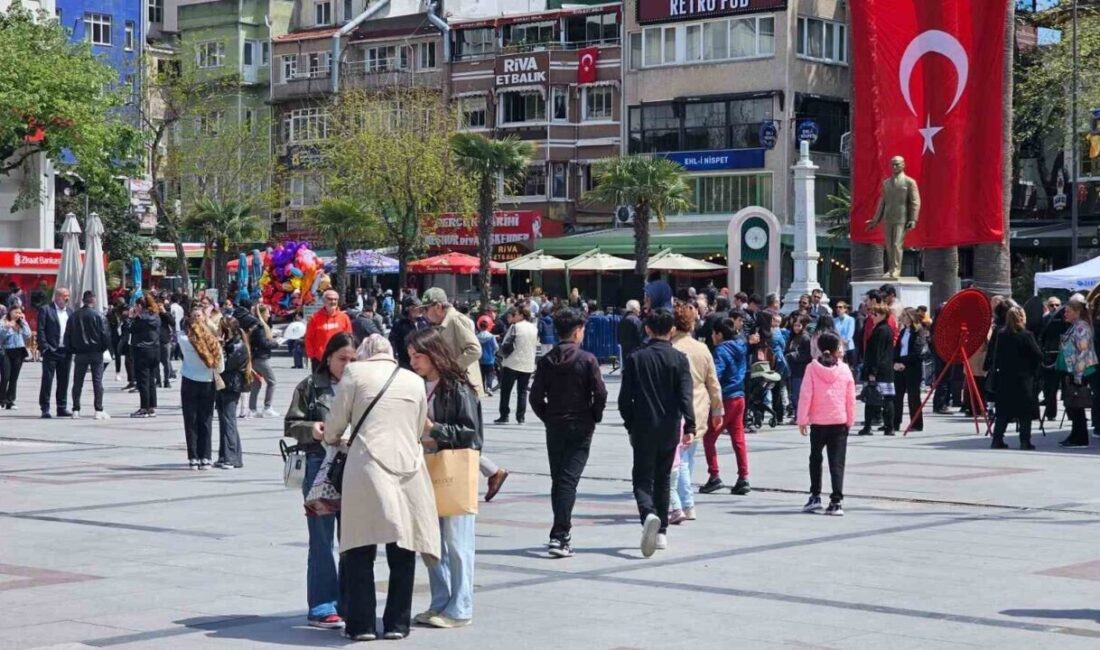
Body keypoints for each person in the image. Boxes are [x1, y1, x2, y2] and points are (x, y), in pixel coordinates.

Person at [319, 334, 440, 641]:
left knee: (360, 545)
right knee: (404, 545)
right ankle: (398, 623)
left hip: (367, 466)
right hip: (408, 467)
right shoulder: (413, 379)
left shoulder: (355, 374)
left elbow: (335, 424)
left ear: (363, 354)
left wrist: (330, 437)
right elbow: (418, 425)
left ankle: (361, 625)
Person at [406, 328, 482, 629]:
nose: (414, 362)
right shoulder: (418, 386)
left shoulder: (458, 388)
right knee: (430, 541)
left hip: (452, 470)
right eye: (411, 356)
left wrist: (433, 428)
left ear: (434, 353)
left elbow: (470, 434)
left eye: (418, 356)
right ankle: (441, 601)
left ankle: (460, 606)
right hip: (423, 469)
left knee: (458, 542)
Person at [284, 332, 357, 630]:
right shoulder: (312, 386)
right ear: (328, 358)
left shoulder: (362, 385)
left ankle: (351, 601)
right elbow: (291, 423)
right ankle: (322, 604)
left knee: (353, 538)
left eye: (354, 359)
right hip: (320, 466)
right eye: (343, 359)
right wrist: (311, 428)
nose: (348, 365)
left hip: (354, 465)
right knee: (322, 537)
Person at [528, 308, 607, 558]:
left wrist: (547, 416)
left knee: (560, 478)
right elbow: (601, 393)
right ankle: (560, 535)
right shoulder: (587, 359)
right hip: (580, 425)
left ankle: (560, 532)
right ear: (576, 332)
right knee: (568, 480)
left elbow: (535, 396)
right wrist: (595, 414)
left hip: (556, 425)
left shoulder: (547, 360)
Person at [618, 309, 695, 558]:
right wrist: (690, 426)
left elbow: (623, 399)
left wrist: (630, 423)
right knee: (663, 479)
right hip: (670, 427)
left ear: (648, 329)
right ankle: (661, 530)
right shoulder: (679, 359)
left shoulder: (635, 358)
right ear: (672, 330)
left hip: (642, 426)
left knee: (642, 477)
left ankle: (647, 513)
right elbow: (685, 396)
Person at [422, 288, 509, 501]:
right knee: (451, 435)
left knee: (459, 435)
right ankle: (492, 471)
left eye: (427, 309)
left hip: (460, 388)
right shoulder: (442, 323)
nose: (425, 314)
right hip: (449, 385)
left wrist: (451, 369)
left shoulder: (456, 320)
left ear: (438, 307)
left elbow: (474, 349)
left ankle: (491, 471)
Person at [669, 302, 723, 522]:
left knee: (678, 459)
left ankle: (685, 503)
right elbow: (713, 382)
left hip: (676, 408)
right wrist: (718, 409)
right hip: (699, 406)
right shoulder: (702, 349)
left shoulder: (670, 348)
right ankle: (684, 500)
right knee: (688, 458)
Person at [797, 332, 856, 516]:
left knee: (815, 458)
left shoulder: (812, 368)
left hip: (819, 421)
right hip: (839, 420)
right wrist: (850, 419)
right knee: (837, 462)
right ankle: (836, 501)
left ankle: (815, 496)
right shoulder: (845, 369)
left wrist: (802, 418)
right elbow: (851, 398)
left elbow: (806, 394)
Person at [702, 315, 749, 495]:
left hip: (726, 397)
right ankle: (743, 477)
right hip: (739, 396)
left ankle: (714, 475)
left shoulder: (721, 350)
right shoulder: (740, 347)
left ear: (719, 334)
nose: (712, 337)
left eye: (713, 333)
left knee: (709, 437)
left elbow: (717, 375)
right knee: (738, 439)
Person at [989, 307, 1042, 450]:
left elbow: (997, 356)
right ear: (1022, 318)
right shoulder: (1026, 335)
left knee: (1003, 413)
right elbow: (1037, 355)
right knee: (1025, 412)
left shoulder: (1001, 335)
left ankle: (997, 440)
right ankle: (1025, 441)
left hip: (1005, 378)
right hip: (1023, 379)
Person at [178, 310, 223, 469]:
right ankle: (206, 457)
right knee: (206, 419)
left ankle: (193, 458)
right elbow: (221, 366)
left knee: (190, 420)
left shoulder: (183, 339)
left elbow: (180, 330)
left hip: (189, 380)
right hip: (208, 381)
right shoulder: (213, 341)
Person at [66, 291, 112, 420]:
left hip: (80, 352)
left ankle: (76, 409)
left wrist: (72, 349)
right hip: (96, 352)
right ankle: (98, 409)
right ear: (93, 300)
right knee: (97, 381)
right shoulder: (99, 316)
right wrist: (102, 349)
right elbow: (106, 335)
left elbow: (68, 335)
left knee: (77, 382)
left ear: (83, 300)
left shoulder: (74, 316)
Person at [1057, 299, 1097, 447]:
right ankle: (1075, 434)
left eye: (1068, 311)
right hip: (1072, 369)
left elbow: (1083, 352)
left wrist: (1078, 376)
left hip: (1080, 371)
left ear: (1077, 311)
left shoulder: (1082, 327)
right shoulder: (1074, 326)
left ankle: (1080, 437)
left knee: (1077, 404)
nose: (1065, 314)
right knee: (1072, 404)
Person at [214, 318, 248, 469]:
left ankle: (231, 457)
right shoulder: (230, 345)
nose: (219, 332)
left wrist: (219, 348)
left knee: (229, 421)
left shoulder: (238, 346)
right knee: (224, 420)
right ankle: (226, 455)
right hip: (223, 385)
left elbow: (225, 365)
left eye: (221, 329)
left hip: (231, 385)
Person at [495, 305, 537, 425]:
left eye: (516, 314)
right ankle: (521, 417)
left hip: (512, 363)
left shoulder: (515, 327)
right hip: (528, 363)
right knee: (522, 391)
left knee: (506, 390)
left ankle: (504, 415)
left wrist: (501, 354)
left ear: (521, 315)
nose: (514, 316)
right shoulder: (533, 328)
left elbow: (506, 342)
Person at [858, 305, 897, 436]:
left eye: (875, 314)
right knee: (887, 397)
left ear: (882, 315)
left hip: (878, 369)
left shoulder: (881, 330)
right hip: (886, 369)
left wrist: (872, 372)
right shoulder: (887, 329)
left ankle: (868, 427)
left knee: (872, 398)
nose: (872, 316)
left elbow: (877, 353)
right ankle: (889, 427)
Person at [37, 286, 74, 419]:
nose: (67, 298)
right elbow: (40, 330)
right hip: (51, 351)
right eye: (65, 295)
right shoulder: (46, 310)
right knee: (47, 380)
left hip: (65, 351)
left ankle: (61, 407)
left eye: (68, 295)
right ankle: (45, 408)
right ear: (58, 296)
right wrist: (45, 347)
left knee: (64, 380)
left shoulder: (70, 311)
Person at [893, 308, 927, 433]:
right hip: (900, 365)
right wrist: (896, 361)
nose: (903, 318)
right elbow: (897, 348)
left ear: (912, 317)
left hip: (912, 367)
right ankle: (895, 422)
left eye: (905, 316)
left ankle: (916, 423)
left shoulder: (918, 331)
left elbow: (917, 351)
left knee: (913, 396)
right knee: (897, 395)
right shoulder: (903, 331)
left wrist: (904, 362)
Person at [129, 294, 163, 418]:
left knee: (143, 380)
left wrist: (131, 317)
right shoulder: (156, 316)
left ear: (140, 306)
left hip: (142, 350)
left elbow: (130, 329)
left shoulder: (140, 318)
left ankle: (144, 407)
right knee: (151, 380)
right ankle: (152, 407)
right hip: (155, 350)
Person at [305, 289, 352, 373]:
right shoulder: (314, 318)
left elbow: (349, 339)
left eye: (335, 299)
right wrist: (312, 356)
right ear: (324, 301)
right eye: (330, 299)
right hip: (319, 360)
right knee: (320, 385)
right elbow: (309, 338)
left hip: (339, 360)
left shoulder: (344, 318)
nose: (333, 301)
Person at [248, 304, 280, 418]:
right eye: (267, 313)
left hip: (256, 357)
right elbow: (263, 343)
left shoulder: (257, 326)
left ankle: (252, 409)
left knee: (256, 383)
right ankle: (267, 407)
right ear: (261, 314)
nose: (269, 315)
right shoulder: (260, 327)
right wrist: (276, 343)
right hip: (261, 358)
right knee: (272, 381)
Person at [0, 306, 31, 409]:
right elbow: (1, 337)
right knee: (5, 377)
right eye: (16, 312)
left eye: (19, 313)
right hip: (6, 351)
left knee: (14, 378)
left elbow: (28, 335)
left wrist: (25, 322)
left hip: (19, 351)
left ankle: (10, 400)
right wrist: (7, 327)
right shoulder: (3, 322)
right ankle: (1, 400)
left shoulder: (21, 323)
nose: (18, 315)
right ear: (10, 312)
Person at [785, 315, 812, 423]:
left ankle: (802, 416)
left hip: (800, 370)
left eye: (798, 325)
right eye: (794, 325)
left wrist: (793, 355)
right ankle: (797, 415)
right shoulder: (793, 336)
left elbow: (806, 354)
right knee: (794, 394)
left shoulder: (805, 337)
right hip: (793, 368)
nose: (796, 328)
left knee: (799, 394)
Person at [390, 296, 423, 369]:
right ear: (408, 309)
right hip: (405, 361)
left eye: (419, 307)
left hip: (421, 359)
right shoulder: (400, 323)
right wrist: (394, 357)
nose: (419, 310)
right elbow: (393, 340)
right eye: (415, 307)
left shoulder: (423, 321)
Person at [476, 318, 498, 396]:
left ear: (480, 327)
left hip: (480, 359)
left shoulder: (477, 337)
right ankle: (489, 388)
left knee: (482, 374)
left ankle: (481, 388)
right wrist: (493, 353)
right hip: (490, 359)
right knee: (489, 374)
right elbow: (496, 347)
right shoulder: (491, 336)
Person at [834, 302, 857, 368]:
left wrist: (845, 341)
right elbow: (834, 333)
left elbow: (850, 333)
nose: (838, 309)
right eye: (837, 307)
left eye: (840, 307)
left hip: (848, 347)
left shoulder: (851, 319)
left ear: (845, 309)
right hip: (838, 348)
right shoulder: (834, 320)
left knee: (850, 368)